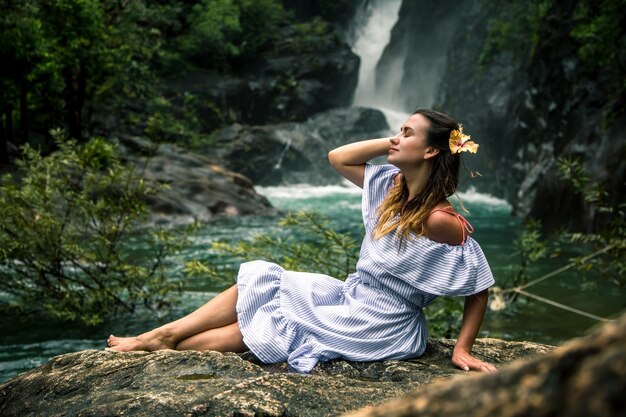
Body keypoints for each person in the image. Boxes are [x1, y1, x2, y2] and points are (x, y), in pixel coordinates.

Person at [107, 109, 497, 373]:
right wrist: (396, 142)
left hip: (382, 322)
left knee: (267, 326)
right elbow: (338, 157)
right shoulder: (393, 187)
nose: (395, 139)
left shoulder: (440, 220)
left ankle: (162, 345)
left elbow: (479, 288)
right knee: (261, 280)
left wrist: (462, 350)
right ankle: (163, 336)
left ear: (430, 150)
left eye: (406, 134)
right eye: (398, 131)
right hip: (353, 294)